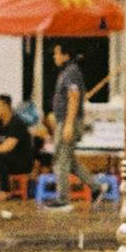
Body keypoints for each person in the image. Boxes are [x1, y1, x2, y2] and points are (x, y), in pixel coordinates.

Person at [45, 42, 85, 208]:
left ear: (66, 55)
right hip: (64, 120)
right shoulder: (68, 72)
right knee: (68, 160)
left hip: (68, 121)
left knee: (60, 160)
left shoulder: (71, 72)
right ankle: (97, 187)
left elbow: (74, 97)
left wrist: (68, 124)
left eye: (57, 53)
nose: (55, 57)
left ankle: (63, 199)